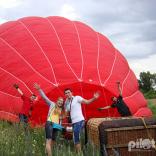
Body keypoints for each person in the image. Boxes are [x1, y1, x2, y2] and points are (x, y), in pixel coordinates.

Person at [64, 88, 100, 153]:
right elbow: (65, 113)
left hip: (79, 120)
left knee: (76, 136)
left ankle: (80, 153)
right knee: (75, 138)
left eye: (68, 92)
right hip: (74, 122)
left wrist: (94, 98)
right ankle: (79, 152)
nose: (67, 94)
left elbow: (87, 102)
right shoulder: (68, 103)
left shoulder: (77, 98)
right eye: (66, 93)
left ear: (72, 93)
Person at [34, 83, 64, 156]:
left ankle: (46, 153)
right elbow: (45, 98)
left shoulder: (61, 110)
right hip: (50, 123)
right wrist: (39, 89)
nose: (60, 102)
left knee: (53, 141)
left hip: (56, 126)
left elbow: (60, 119)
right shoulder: (52, 104)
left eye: (62, 101)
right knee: (48, 140)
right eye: (59, 100)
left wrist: (60, 126)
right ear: (57, 101)